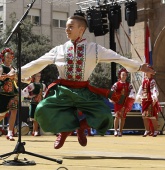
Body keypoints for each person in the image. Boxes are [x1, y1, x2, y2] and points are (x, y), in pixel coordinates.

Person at [5, 15, 155, 149]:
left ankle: (79, 128)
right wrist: (18, 72)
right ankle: (65, 131)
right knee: (42, 109)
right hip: (63, 91)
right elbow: (38, 63)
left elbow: (117, 57)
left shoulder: (94, 49)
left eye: (70, 27)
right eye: (66, 27)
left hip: (84, 92)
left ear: (81, 29)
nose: (67, 30)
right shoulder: (60, 49)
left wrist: (139, 66)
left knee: (105, 116)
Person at [136, 66, 160, 137]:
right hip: (144, 100)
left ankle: (155, 131)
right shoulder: (144, 81)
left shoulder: (152, 81)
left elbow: (154, 90)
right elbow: (141, 90)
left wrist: (154, 97)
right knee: (144, 116)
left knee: (152, 116)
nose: (146, 72)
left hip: (150, 101)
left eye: (148, 71)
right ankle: (147, 130)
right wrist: (139, 97)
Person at [111, 68, 136, 137]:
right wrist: (112, 98)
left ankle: (120, 131)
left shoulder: (129, 84)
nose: (124, 76)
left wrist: (131, 97)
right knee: (117, 116)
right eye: (123, 75)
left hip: (125, 102)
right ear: (120, 75)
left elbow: (132, 92)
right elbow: (112, 91)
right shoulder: (116, 84)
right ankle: (115, 130)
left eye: (125, 75)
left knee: (123, 117)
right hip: (118, 102)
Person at [0, 48, 18, 141]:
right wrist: (6, 76)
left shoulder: (13, 68)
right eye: (7, 57)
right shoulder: (1, 67)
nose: (9, 59)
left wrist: (26, 79)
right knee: (2, 114)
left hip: (13, 93)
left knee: (14, 110)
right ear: (3, 58)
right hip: (2, 93)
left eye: (10, 57)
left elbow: (16, 79)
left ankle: (10, 132)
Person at [22, 72, 46, 136]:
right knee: (35, 117)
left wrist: (42, 96)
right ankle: (35, 131)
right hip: (33, 103)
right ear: (34, 77)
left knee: (39, 117)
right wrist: (30, 96)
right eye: (38, 76)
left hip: (41, 103)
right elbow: (25, 91)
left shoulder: (43, 85)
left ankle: (35, 131)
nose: (39, 77)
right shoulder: (32, 85)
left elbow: (46, 92)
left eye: (40, 76)